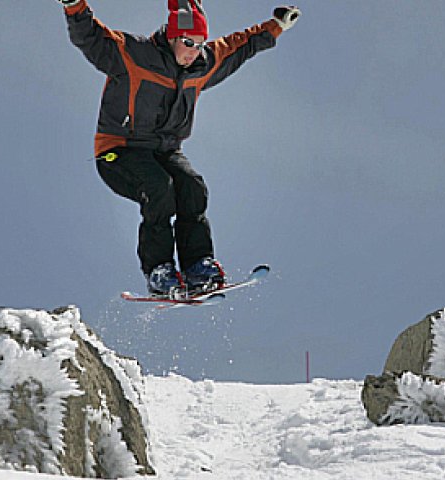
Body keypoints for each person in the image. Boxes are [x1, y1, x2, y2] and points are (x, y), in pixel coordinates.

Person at [56, 0, 300, 296]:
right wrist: (74, 6)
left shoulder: (201, 64)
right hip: (118, 151)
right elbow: (91, 38)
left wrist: (275, 27)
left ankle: (198, 266)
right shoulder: (134, 55)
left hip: (164, 151)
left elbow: (238, 47)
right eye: (188, 43)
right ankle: (159, 271)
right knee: (160, 187)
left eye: (199, 44)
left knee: (192, 188)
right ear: (172, 36)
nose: (193, 51)